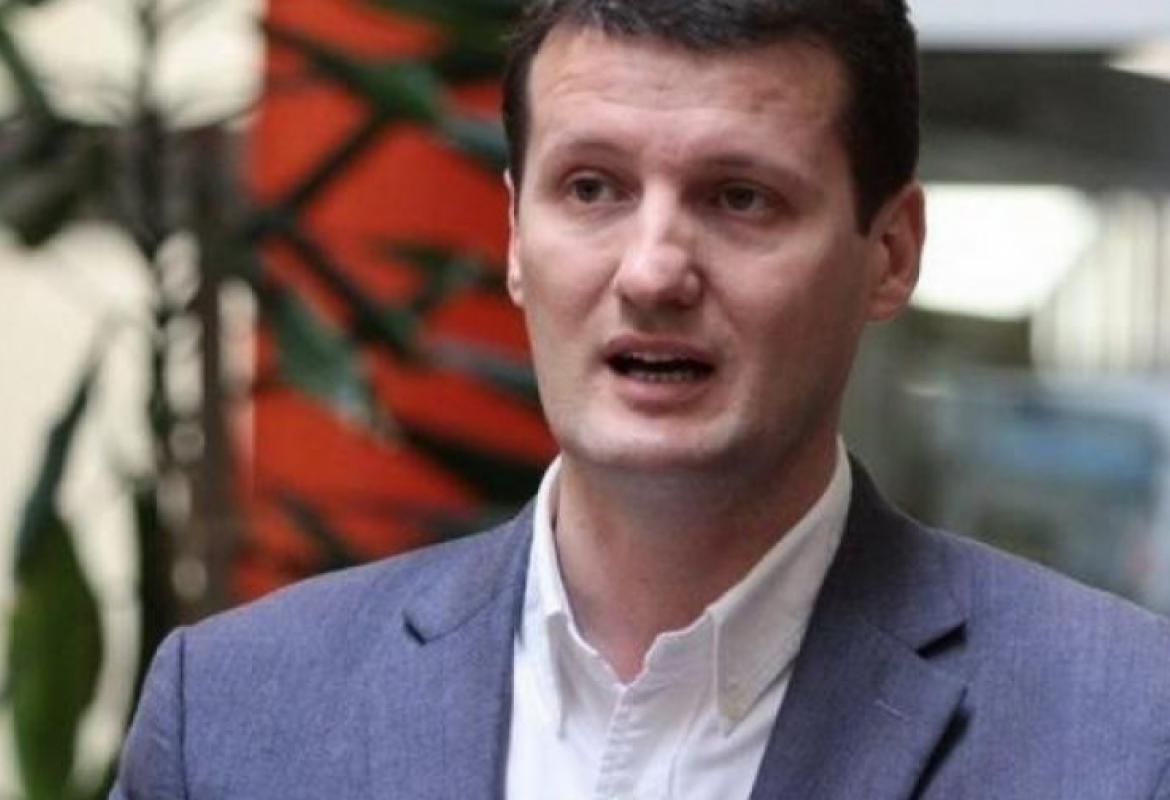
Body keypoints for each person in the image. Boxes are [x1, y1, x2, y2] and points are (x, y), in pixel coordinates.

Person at [112, 1, 1170, 798]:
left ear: (890, 252)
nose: (654, 270)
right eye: (593, 188)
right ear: (516, 236)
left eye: (740, 197)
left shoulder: (1125, 729)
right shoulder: (236, 715)